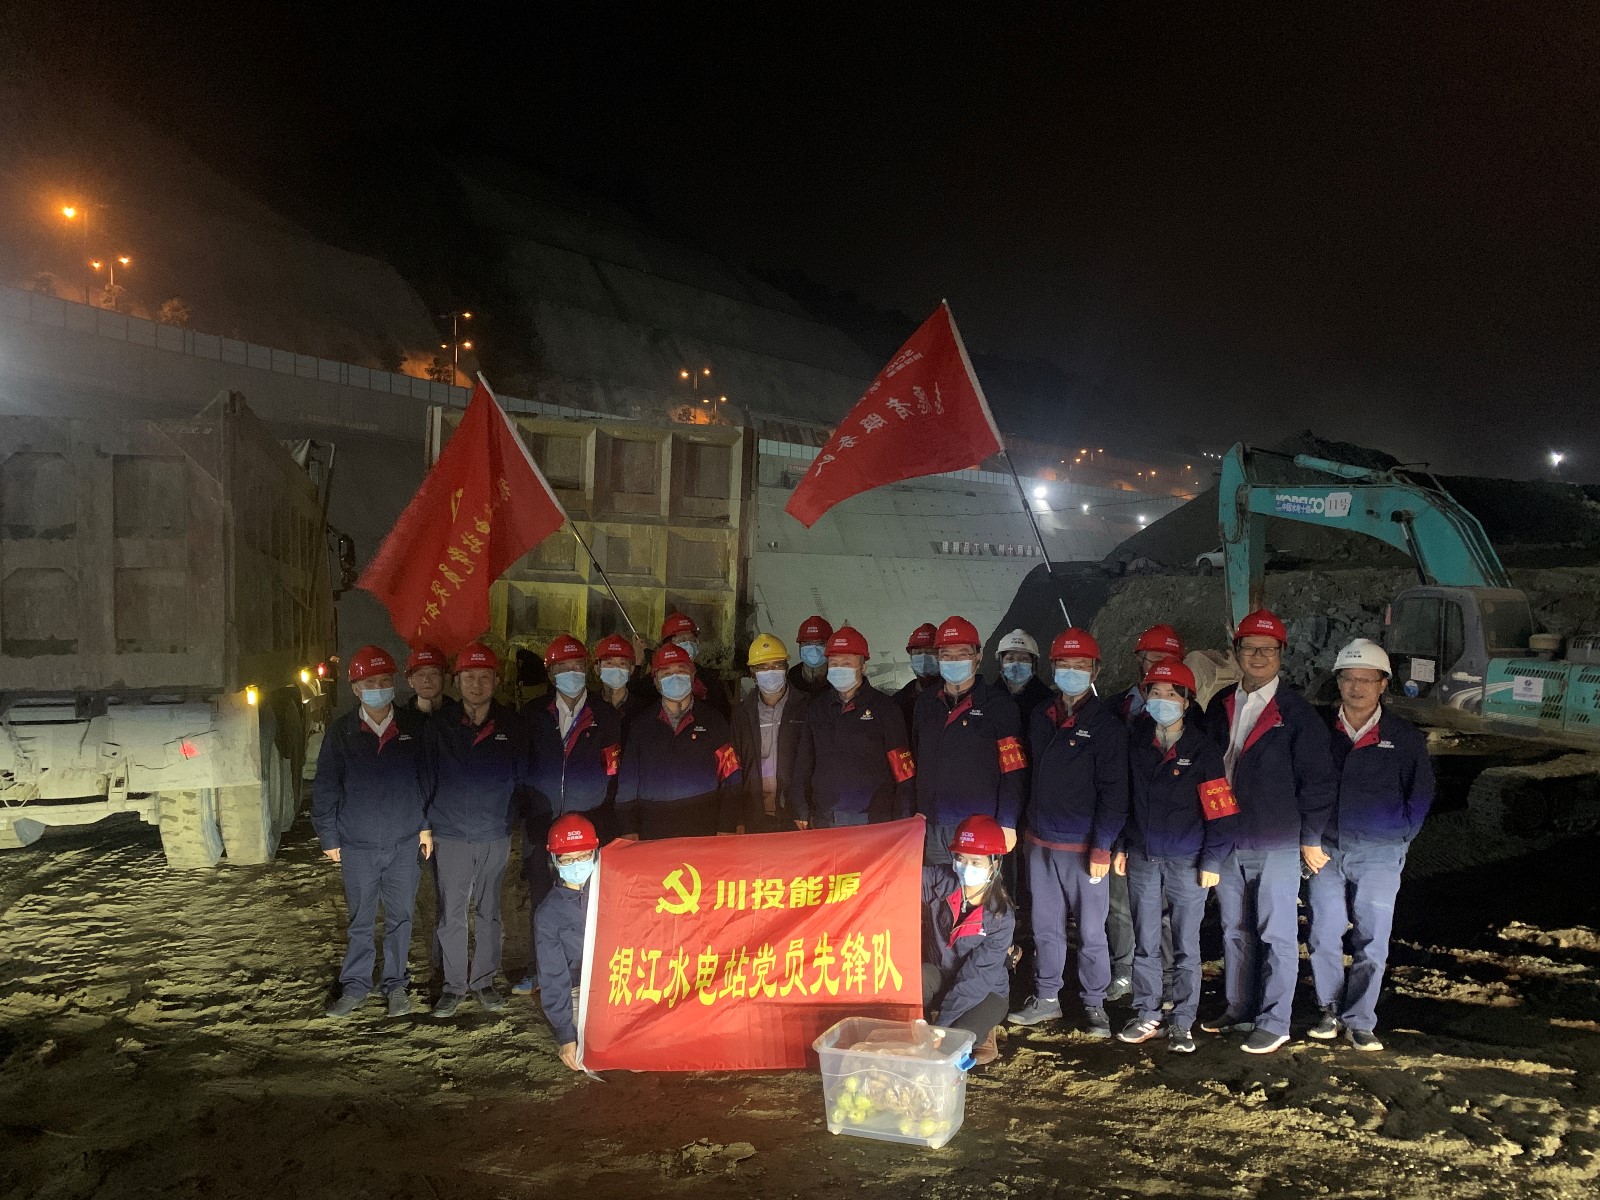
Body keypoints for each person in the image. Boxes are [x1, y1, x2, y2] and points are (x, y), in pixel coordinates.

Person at [1201, 609, 1337, 1054]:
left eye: (1268, 649)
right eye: (1249, 647)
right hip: (1228, 838)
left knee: (1276, 933)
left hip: (1276, 840)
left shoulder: (1296, 713)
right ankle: (1239, 1007)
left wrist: (1310, 836)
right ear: (1236, 651)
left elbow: (1318, 781)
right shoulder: (1221, 704)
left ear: (1281, 654)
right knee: (1234, 928)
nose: (1257, 656)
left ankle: (1275, 1021)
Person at [1306, 638, 1434, 1052]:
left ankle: (1360, 1020)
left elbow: (1420, 792)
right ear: (1338, 682)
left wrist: (1399, 837)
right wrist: (1309, 837)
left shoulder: (1403, 737)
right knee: (1323, 934)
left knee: (1372, 940)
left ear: (1382, 685)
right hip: (1325, 850)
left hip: (1379, 852)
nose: (1356, 687)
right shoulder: (1318, 731)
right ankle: (1329, 1010)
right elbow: (1302, 785)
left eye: (1366, 680)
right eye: (1349, 679)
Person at [1007, 629, 1128, 1038]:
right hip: (1040, 843)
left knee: (1092, 932)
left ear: (1095, 670)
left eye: (1081, 666)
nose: (1072, 672)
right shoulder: (1041, 716)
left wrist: (1103, 846)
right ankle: (1047, 998)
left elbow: (1115, 792)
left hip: (1083, 847)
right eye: (1064, 665)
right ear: (1053, 668)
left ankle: (1095, 1005)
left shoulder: (1106, 726)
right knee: (1045, 927)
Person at [1114, 661, 1237, 1054]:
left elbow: (1220, 810)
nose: (1162, 700)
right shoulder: (1137, 745)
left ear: (1186, 702)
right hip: (1144, 857)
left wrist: (1213, 859)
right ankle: (1147, 1013)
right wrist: (1121, 846)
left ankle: (1182, 1021)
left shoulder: (1203, 750)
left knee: (1186, 944)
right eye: (1155, 693)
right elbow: (1125, 802)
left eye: (1171, 694)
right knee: (1146, 941)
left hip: (1187, 861)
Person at [312, 646, 433, 1018]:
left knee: (401, 918)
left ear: (393, 683)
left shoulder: (413, 728)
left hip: (404, 843)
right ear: (355, 688)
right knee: (361, 920)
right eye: (369, 683)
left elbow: (427, 781)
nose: (378, 688)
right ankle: (356, 985)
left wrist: (426, 827)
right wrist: (329, 837)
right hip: (358, 845)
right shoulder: (342, 732)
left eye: (383, 681)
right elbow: (326, 787)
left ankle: (396, 985)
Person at [425, 642, 529, 1017]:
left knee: (489, 912)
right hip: (450, 834)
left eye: (485, 677)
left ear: (496, 681)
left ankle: (484, 981)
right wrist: (426, 825)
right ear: (456, 681)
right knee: (452, 914)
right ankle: (454, 986)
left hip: (494, 834)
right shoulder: (440, 726)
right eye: (469, 677)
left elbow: (521, 777)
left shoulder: (511, 725)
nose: (476, 684)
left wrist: (509, 819)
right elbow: (425, 777)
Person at [514, 634, 621, 996]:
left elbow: (613, 771)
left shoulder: (605, 716)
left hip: (588, 829)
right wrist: (526, 813)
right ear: (550, 673)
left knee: (586, 901)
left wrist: (605, 822)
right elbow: (520, 768)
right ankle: (541, 970)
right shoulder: (533, 715)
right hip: (542, 824)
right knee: (542, 899)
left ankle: (584, 971)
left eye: (576, 666)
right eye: (562, 667)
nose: (571, 673)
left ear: (586, 670)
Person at [912, 616, 1026, 865]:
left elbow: (1013, 769)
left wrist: (1007, 822)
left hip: (980, 824)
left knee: (975, 888)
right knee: (934, 884)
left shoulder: (999, 706)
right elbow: (916, 757)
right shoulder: (925, 704)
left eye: (962, 654)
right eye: (947, 655)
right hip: (931, 823)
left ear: (978, 656)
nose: (954, 661)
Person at [790, 626, 916, 829]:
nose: (839, 669)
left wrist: (903, 816)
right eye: (834, 663)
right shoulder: (817, 708)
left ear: (863, 667)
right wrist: (800, 807)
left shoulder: (885, 709)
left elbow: (903, 769)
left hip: (872, 819)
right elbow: (804, 761)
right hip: (825, 817)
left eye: (847, 663)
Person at [615, 642, 742, 839]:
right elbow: (628, 782)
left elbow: (731, 777)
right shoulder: (641, 725)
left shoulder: (714, 721)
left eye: (681, 670)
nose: (674, 677)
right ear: (656, 681)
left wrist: (727, 825)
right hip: (653, 832)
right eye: (666, 673)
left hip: (703, 831)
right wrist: (629, 830)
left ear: (692, 676)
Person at [922, 815, 1015, 1067]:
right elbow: (901, 877)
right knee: (917, 980)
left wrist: (941, 1028)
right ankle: (925, 1027)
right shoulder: (941, 881)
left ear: (994, 864)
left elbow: (975, 980)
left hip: (984, 992)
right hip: (941, 975)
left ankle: (983, 1031)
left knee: (953, 1043)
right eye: (961, 859)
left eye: (976, 862)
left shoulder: (1000, 917)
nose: (966, 867)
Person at [535, 813, 601, 1071]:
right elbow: (553, 975)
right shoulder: (549, 914)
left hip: (621, 980)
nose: (577, 864)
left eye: (584, 856)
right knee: (592, 1053)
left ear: (595, 853)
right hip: (580, 988)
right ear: (555, 861)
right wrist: (565, 1035)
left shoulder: (615, 887)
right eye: (568, 859)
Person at [730, 632, 810, 832]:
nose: (770, 672)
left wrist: (806, 809)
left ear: (786, 668)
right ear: (752, 672)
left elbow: (815, 762)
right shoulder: (742, 713)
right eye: (763, 668)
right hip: (755, 815)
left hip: (796, 816)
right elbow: (734, 767)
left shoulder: (807, 708)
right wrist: (738, 817)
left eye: (776, 666)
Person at [657, 610, 732, 719]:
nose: (689, 644)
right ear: (667, 644)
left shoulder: (709, 679)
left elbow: (723, 713)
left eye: (691, 639)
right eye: (682, 640)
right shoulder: (652, 684)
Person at [1118, 625, 1185, 724]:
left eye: (1173, 663)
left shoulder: (1191, 714)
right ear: (1140, 658)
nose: (1164, 668)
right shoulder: (1115, 705)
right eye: (1157, 661)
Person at [593, 632, 653, 735]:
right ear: (597, 668)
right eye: (609, 663)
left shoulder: (645, 710)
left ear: (631, 669)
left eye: (622, 663)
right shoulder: (588, 709)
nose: (616, 668)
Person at [994, 628, 1052, 729]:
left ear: (1033, 663)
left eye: (1024, 659)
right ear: (1001, 663)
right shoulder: (988, 697)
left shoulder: (1048, 700)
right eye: (1010, 658)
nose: (1016, 663)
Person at [892, 622, 940, 732]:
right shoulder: (897, 702)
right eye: (918, 653)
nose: (923, 658)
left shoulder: (952, 698)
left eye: (930, 652)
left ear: (942, 655)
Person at [787, 614, 834, 697]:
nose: (814, 649)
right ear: (800, 646)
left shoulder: (838, 678)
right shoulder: (791, 678)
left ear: (830, 646)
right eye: (807, 643)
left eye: (820, 643)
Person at [403, 644, 451, 714]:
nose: (427, 680)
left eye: (433, 673)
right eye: (420, 674)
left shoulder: (460, 716)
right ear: (410, 681)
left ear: (445, 678)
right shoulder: (400, 718)